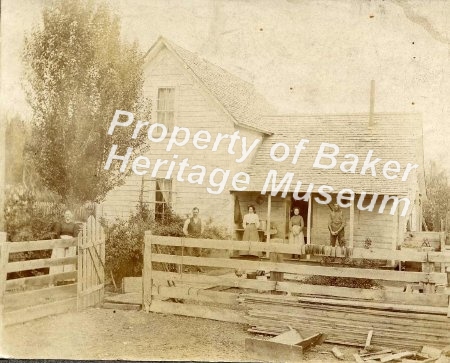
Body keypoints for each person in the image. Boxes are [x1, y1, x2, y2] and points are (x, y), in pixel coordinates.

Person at [50, 210, 79, 275]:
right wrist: (63, 243)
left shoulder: (74, 225)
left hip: (70, 245)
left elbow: (75, 236)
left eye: (69, 214)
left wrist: (69, 243)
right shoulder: (60, 224)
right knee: (59, 259)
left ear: (71, 216)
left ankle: (68, 278)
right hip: (61, 244)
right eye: (66, 214)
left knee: (69, 261)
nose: (67, 215)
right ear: (64, 216)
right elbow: (57, 234)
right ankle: (58, 277)